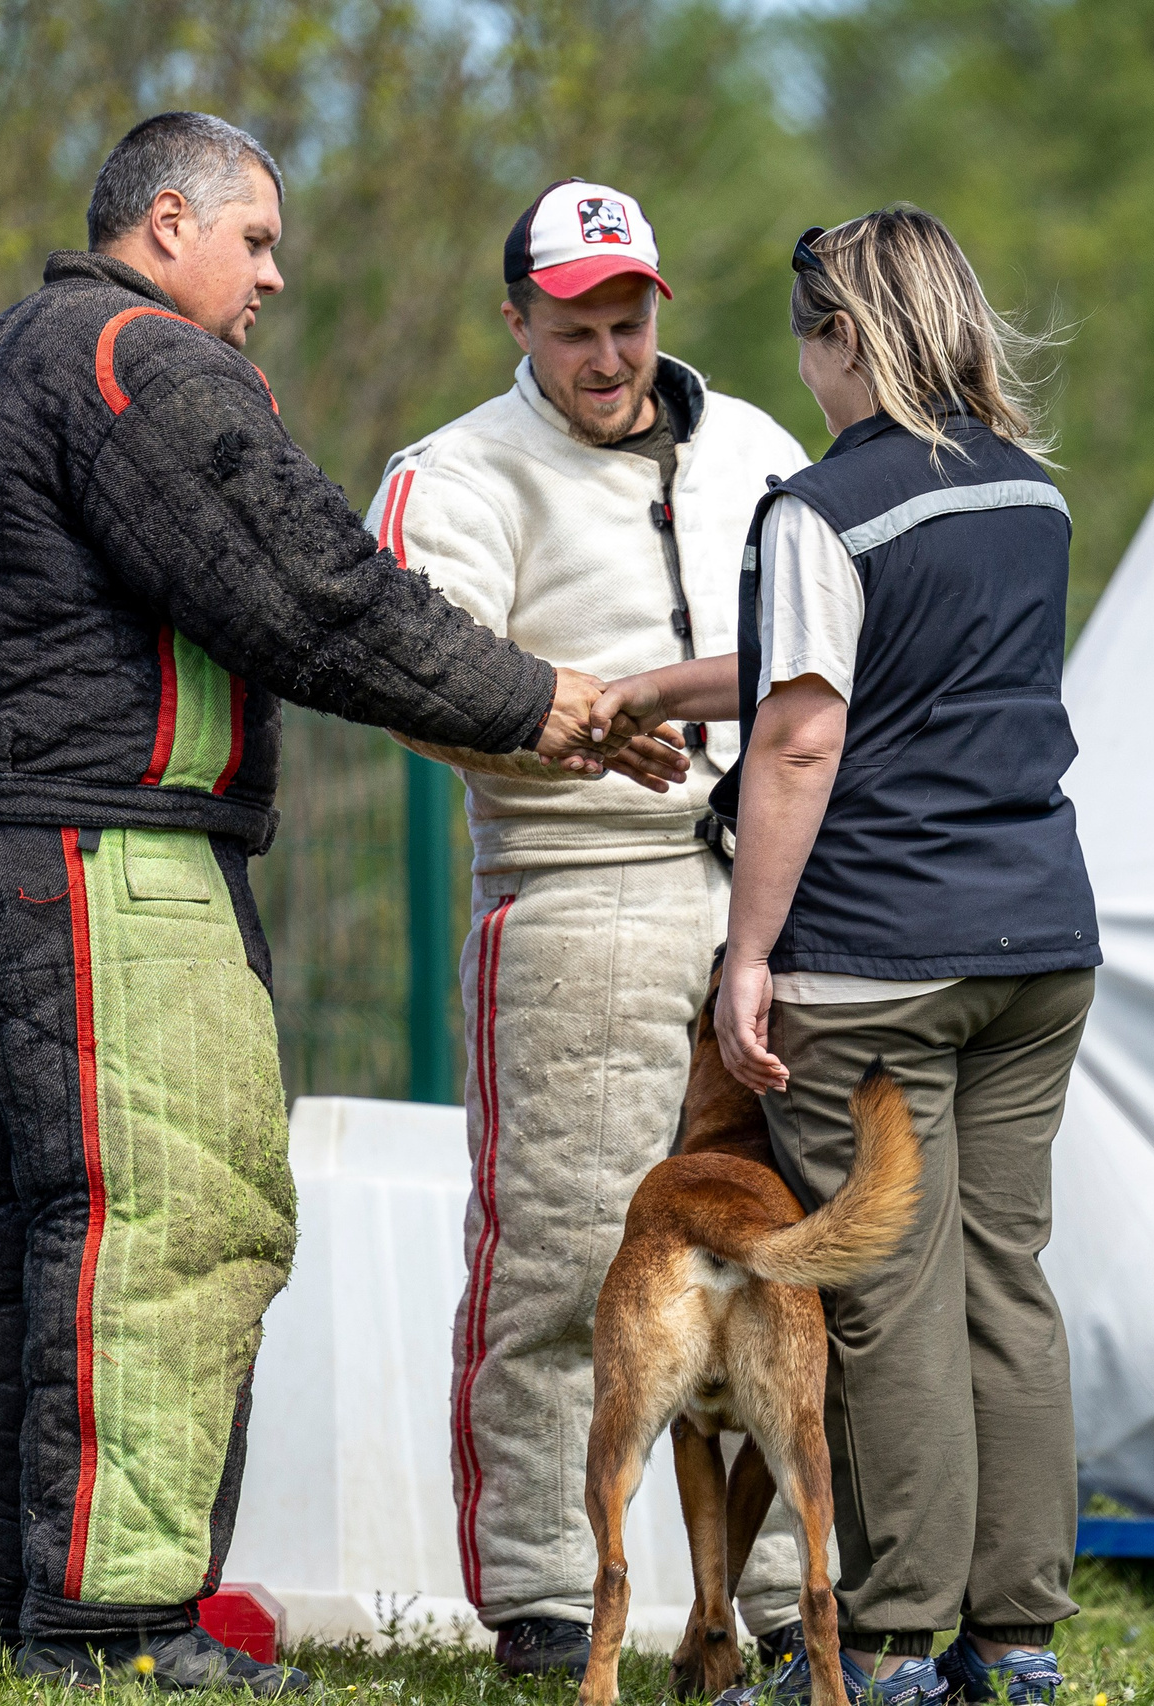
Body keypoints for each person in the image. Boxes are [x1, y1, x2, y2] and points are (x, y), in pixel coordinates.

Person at [0, 112, 641, 1695]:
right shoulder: (140, 364)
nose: (275, 277)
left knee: (29, 1226)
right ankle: (122, 1623)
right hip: (104, 859)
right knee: (179, 1212)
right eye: (257, 241)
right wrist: (530, 701)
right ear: (167, 222)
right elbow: (312, 592)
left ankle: (9, 1601)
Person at [594, 206, 1099, 1706]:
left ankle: (879, 1642)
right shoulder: (1030, 494)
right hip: (1040, 943)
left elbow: (804, 732)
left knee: (884, 1295)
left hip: (880, 958)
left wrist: (749, 953)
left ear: (841, 337)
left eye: (807, 337)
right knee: (1008, 1280)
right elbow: (867, 667)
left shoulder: (821, 508)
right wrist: (657, 689)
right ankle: (1015, 1645)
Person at [362, 178, 816, 1680]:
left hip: (768, 883)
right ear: (517, 323)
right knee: (564, 1258)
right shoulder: (457, 474)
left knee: (780, 1260)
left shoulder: (754, 445)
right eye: (576, 330)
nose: (610, 355)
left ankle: (740, 1600)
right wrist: (564, 730)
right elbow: (420, 671)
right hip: (580, 893)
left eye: (628, 321)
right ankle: (550, 1593)